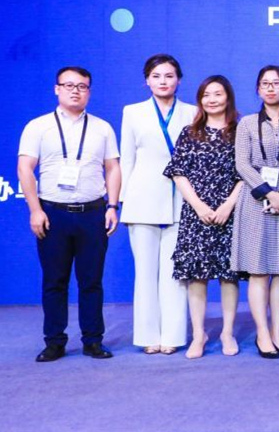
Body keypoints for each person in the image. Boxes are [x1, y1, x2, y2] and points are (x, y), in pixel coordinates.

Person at [17, 66, 120, 362]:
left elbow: (113, 167)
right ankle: (54, 342)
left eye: (82, 86)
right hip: (53, 213)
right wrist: (35, 210)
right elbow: (25, 168)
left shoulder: (102, 127)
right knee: (54, 281)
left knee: (91, 281)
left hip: (93, 213)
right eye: (69, 85)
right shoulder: (38, 126)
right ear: (57, 89)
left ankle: (93, 340)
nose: (76, 91)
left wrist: (112, 206)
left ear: (89, 91)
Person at [120, 54, 197, 355]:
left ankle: (173, 335)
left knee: (175, 273)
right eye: (156, 76)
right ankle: (147, 335)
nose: (163, 81)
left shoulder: (193, 112)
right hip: (142, 200)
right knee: (145, 273)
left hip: (181, 201)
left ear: (179, 80)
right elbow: (127, 160)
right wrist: (122, 201)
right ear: (147, 81)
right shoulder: (132, 112)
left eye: (169, 75)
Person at [165, 75, 243, 359]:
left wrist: (228, 205)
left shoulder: (240, 131)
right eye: (206, 95)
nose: (212, 99)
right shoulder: (190, 132)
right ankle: (199, 334)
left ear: (228, 97)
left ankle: (227, 332)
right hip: (196, 213)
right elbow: (178, 172)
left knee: (228, 276)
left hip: (229, 213)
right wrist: (198, 206)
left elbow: (247, 173)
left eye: (217, 94)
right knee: (196, 275)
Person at [231, 66, 279, 358]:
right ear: (258, 89)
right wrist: (269, 193)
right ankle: (262, 334)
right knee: (259, 270)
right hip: (256, 201)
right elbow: (242, 164)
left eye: (276, 83)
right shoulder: (246, 123)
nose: (271, 88)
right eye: (265, 84)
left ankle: (278, 332)